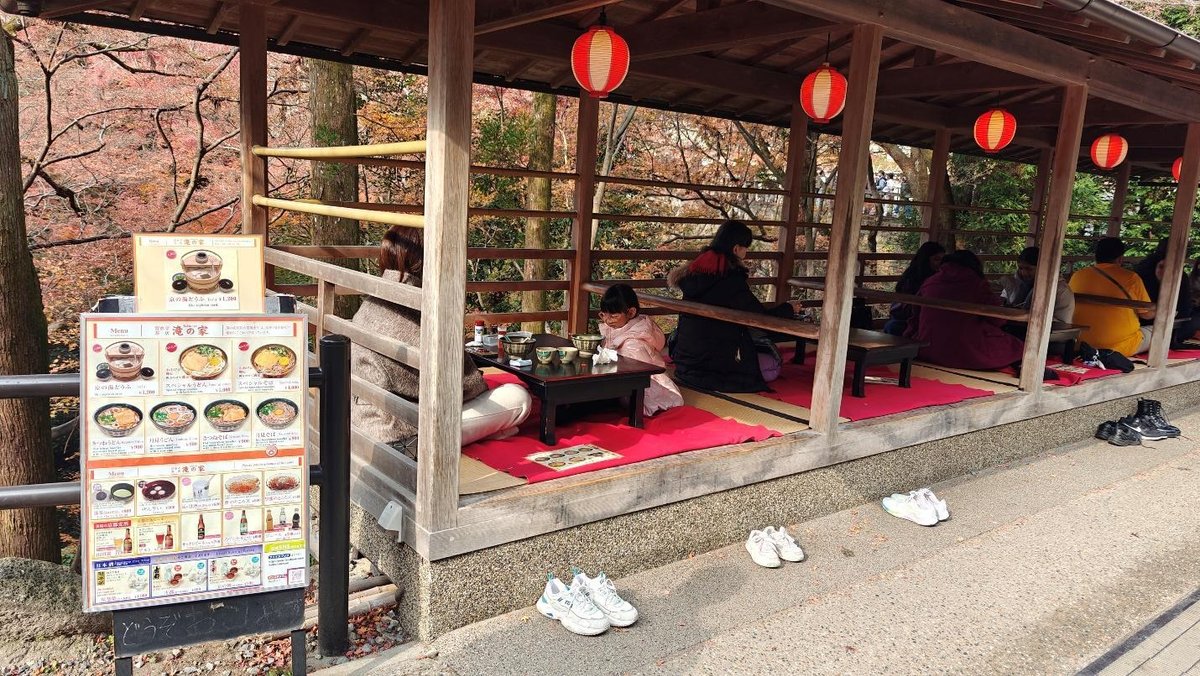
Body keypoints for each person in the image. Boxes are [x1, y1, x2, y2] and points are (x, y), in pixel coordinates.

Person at [350, 225, 532, 452]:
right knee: (518, 398)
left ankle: (486, 432)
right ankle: (484, 433)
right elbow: (469, 387)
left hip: (361, 420)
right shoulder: (423, 307)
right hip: (402, 437)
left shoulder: (372, 300)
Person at [668, 220, 797, 392]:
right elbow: (759, 318)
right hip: (715, 367)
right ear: (736, 249)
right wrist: (789, 309)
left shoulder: (694, 273)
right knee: (773, 364)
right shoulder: (731, 278)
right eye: (746, 247)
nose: (747, 252)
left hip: (685, 363)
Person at [904, 250, 1025, 370]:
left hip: (928, 347)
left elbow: (915, 315)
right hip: (966, 350)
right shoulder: (976, 283)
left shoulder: (930, 282)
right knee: (1016, 346)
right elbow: (998, 319)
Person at [598, 284, 684, 416]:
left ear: (631, 312)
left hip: (645, 385)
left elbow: (638, 377)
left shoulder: (634, 344)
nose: (607, 320)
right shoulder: (620, 327)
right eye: (603, 315)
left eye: (613, 316)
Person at [1069, 237, 1154, 356]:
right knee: (1158, 331)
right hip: (1118, 346)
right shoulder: (1131, 278)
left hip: (1081, 343)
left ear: (1096, 256)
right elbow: (1147, 314)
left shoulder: (1077, 275)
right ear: (1120, 258)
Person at [999, 246, 1075, 324]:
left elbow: (1062, 323)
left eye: (1029, 269)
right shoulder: (1015, 283)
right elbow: (1003, 302)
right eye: (1020, 268)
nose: (1024, 273)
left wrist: (1029, 317)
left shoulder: (1061, 290)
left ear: (1042, 267)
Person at [883, 241, 945, 335]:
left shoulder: (940, 278)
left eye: (942, 260)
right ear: (926, 260)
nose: (940, 263)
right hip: (907, 319)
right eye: (936, 259)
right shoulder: (912, 278)